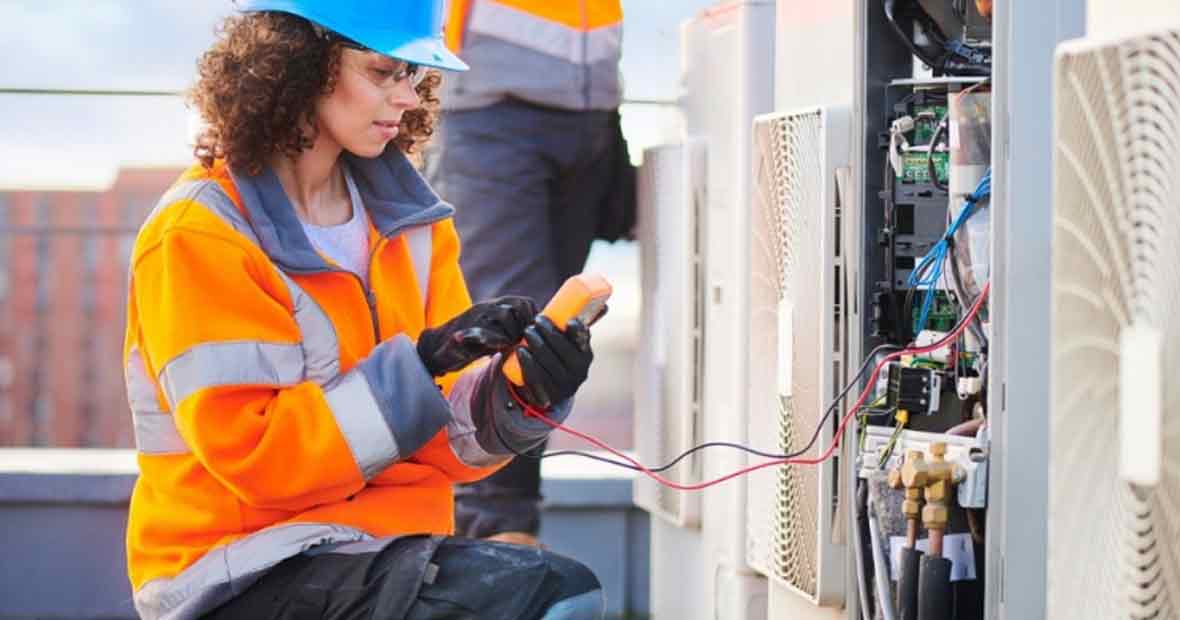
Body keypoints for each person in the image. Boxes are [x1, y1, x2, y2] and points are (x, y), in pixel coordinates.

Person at [121, 1, 603, 618]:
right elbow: (260, 458)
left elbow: (448, 448)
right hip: (239, 567)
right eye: (382, 72)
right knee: (550, 598)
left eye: (413, 74)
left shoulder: (414, 227)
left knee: (564, 594)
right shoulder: (199, 236)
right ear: (296, 63)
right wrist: (421, 364)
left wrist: (524, 390)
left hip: (385, 553)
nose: (406, 97)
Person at [426, 0, 631, 547]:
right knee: (511, 327)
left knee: (558, 330)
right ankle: (497, 544)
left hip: (592, 107)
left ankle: (503, 544)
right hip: (492, 109)